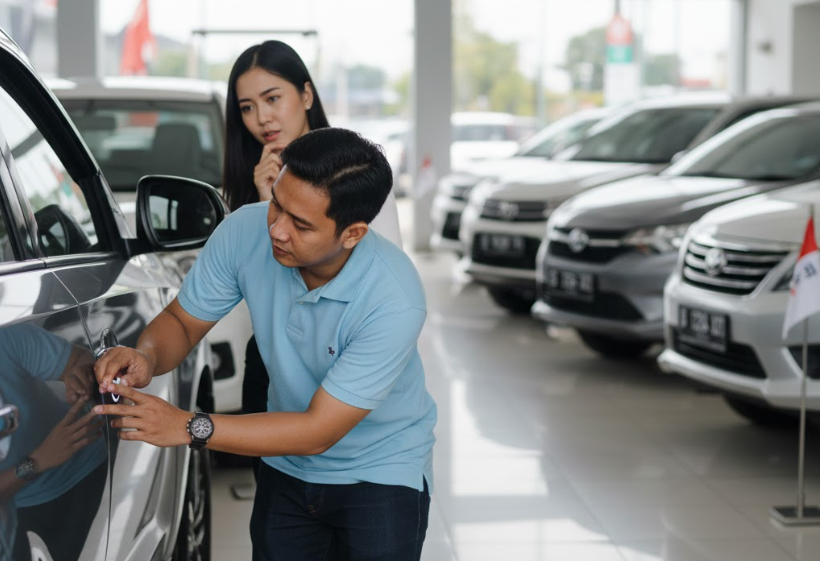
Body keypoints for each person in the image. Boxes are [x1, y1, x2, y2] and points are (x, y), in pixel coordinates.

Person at [94, 128, 436, 561]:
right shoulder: (244, 231)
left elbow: (318, 431)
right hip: (286, 465)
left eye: (302, 224)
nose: (277, 228)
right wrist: (146, 356)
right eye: (278, 203)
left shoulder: (395, 297)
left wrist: (187, 426)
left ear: (352, 234)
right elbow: (182, 322)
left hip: (381, 472)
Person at [221, 42, 402, 477]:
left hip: (345, 350)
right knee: (279, 500)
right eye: (247, 107)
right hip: (271, 356)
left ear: (306, 95)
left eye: (272, 98)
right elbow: (255, 290)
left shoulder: (356, 172)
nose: (262, 118)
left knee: (353, 491)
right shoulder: (249, 182)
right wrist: (266, 201)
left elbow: (386, 278)